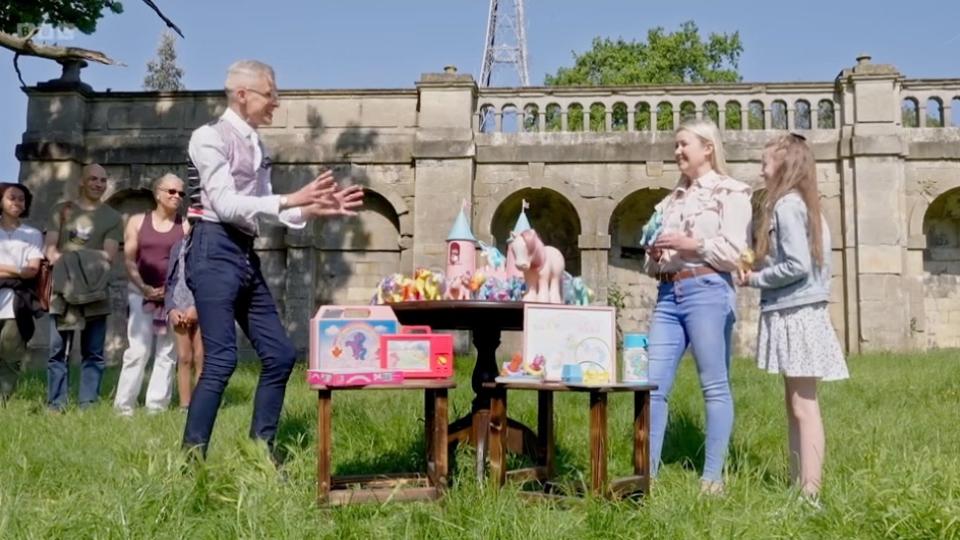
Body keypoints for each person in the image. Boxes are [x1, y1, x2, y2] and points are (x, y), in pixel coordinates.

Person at [183, 60, 363, 457]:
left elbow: (265, 210)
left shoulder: (256, 144)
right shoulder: (208, 137)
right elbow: (227, 204)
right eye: (270, 94)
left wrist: (314, 208)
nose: (276, 103)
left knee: (280, 355)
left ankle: (260, 450)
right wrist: (291, 198)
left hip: (244, 253)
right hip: (212, 247)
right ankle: (190, 460)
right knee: (222, 359)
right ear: (242, 94)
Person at [738, 134, 848, 505]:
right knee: (797, 405)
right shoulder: (805, 204)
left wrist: (754, 278)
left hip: (796, 310)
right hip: (801, 310)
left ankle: (810, 494)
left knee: (803, 406)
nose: (761, 169)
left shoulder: (787, 205)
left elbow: (796, 265)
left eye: (766, 162)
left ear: (784, 165)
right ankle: (800, 484)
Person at [643, 118, 752, 494]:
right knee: (651, 387)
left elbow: (737, 252)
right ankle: (646, 476)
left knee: (714, 386)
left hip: (707, 288)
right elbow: (654, 257)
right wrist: (655, 254)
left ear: (708, 148)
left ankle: (712, 479)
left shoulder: (732, 192)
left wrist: (693, 245)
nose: (677, 152)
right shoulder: (669, 199)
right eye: (675, 145)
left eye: (683, 144)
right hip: (668, 294)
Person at [45, 164, 122, 411]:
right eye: (93, 179)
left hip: (96, 290)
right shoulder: (62, 210)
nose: (98, 184)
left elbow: (109, 256)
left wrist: (71, 257)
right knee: (57, 351)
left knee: (93, 352)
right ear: (82, 181)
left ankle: (87, 404)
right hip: (63, 291)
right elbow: (50, 250)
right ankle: (56, 404)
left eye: (102, 180)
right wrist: (76, 259)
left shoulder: (112, 216)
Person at [113, 174, 188, 416]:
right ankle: (123, 407)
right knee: (138, 350)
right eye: (171, 192)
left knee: (167, 353)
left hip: (172, 297)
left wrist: (170, 291)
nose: (177, 196)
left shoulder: (185, 225)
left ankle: (156, 407)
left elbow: (186, 264)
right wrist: (143, 286)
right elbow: (128, 259)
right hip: (140, 293)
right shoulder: (137, 221)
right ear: (157, 193)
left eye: (181, 193)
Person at [0, 183, 44, 402]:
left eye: (21, 199)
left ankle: (4, 402)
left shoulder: (32, 234)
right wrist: (17, 271)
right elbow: (23, 270)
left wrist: (7, 270)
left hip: (15, 304)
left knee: (10, 357)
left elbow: (31, 270)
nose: (17, 202)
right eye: (11, 198)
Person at [165, 232, 202, 412]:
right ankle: (184, 405)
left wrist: (197, 307)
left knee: (200, 357)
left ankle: (202, 404)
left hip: (202, 306)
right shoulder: (178, 246)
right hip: (179, 307)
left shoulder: (207, 248)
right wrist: (171, 308)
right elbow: (170, 281)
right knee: (184, 357)